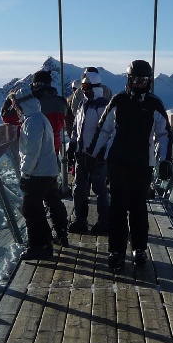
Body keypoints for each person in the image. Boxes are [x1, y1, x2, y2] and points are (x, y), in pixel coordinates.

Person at [87, 59, 172, 271]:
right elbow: (103, 129)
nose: (139, 83)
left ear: (149, 81)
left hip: (143, 164)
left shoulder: (154, 104)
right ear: (129, 79)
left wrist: (165, 160)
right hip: (118, 162)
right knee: (117, 207)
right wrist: (92, 154)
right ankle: (116, 251)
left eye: (143, 80)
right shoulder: (119, 100)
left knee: (138, 207)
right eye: (135, 79)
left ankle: (139, 248)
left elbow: (165, 135)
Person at [9, 88, 68, 260]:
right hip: (48, 170)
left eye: (16, 105)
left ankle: (40, 246)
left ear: (23, 104)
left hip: (38, 173)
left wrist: (26, 174)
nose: (15, 109)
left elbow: (32, 152)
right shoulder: (39, 117)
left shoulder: (32, 122)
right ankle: (50, 239)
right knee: (45, 203)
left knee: (30, 208)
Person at [67, 67, 111, 234]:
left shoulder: (102, 106)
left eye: (85, 87)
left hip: (97, 157)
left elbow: (108, 131)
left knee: (100, 190)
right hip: (82, 154)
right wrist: (72, 145)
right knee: (79, 188)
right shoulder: (83, 104)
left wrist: (101, 153)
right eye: (82, 87)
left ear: (94, 86)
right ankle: (81, 220)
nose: (83, 90)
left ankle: (104, 222)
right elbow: (76, 129)